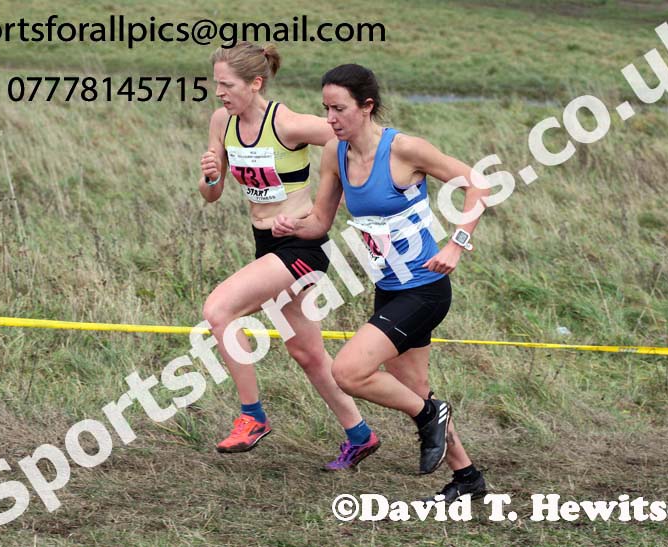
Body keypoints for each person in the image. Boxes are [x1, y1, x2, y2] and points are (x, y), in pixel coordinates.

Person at [272, 64, 488, 500]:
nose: (330, 119)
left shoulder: (405, 149)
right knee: (413, 389)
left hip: (426, 288)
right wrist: (288, 228)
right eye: (325, 109)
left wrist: (457, 243)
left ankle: (431, 415)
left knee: (348, 371)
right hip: (389, 289)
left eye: (339, 109)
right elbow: (319, 222)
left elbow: (479, 184)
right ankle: (467, 478)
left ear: (366, 107)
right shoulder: (335, 154)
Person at [198, 44, 379, 470]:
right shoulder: (222, 121)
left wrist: (332, 199)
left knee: (220, 311)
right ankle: (360, 434)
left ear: (255, 83)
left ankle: (252, 417)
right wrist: (210, 174)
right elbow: (212, 195)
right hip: (265, 244)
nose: (219, 92)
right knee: (308, 354)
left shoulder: (289, 123)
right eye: (216, 83)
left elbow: (351, 136)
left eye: (227, 85)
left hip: (301, 246)